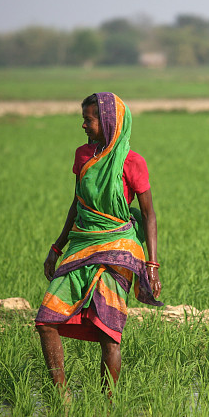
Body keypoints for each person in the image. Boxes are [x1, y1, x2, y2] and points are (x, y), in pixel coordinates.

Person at [35, 92, 163, 395]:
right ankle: (62, 399)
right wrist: (56, 248)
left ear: (108, 122)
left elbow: (148, 215)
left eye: (89, 119)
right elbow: (77, 203)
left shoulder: (132, 162)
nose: (83, 125)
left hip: (118, 247)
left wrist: (152, 265)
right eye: (83, 119)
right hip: (82, 243)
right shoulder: (83, 155)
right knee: (46, 321)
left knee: (108, 331)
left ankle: (108, 404)